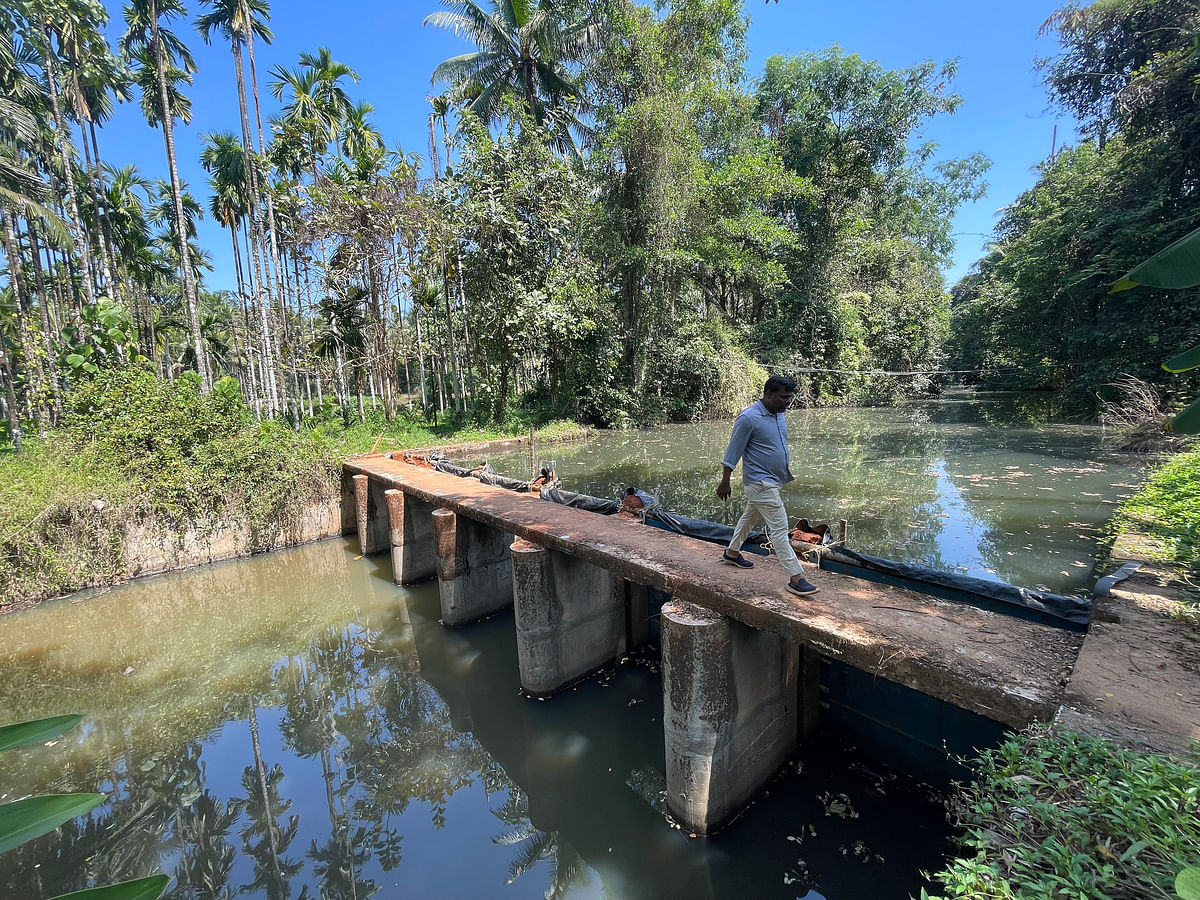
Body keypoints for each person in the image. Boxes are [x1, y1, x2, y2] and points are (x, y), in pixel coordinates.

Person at [717, 375, 819, 597]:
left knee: (749, 518)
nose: (787, 401)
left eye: (789, 397)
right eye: (783, 397)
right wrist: (725, 480)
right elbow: (733, 450)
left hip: (773, 480)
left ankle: (732, 553)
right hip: (760, 482)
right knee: (780, 530)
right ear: (768, 394)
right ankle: (796, 578)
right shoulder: (749, 418)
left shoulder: (778, 414)